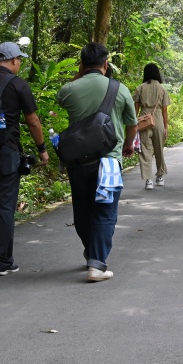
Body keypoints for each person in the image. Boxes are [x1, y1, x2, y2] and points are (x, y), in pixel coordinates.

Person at [55, 43, 137, 282]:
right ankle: (97, 264)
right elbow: (131, 124)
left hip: (78, 161)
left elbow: (61, 99)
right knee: (105, 210)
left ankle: (91, 253)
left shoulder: (69, 89)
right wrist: (128, 144)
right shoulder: (119, 89)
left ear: (81, 64)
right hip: (109, 160)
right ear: (106, 64)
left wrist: (80, 74)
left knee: (82, 210)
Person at [0, 41, 49, 276]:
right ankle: (3, 262)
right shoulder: (18, 84)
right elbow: (33, 121)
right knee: (4, 205)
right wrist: (42, 149)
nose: (20, 63)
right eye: (20, 60)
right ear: (14, 60)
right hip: (6, 151)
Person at [133, 63, 171, 190]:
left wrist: (134, 125)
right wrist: (166, 127)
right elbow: (165, 110)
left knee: (145, 151)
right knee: (159, 148)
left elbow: (135, 109)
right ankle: (160, 176)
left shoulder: (140, 88)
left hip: (144, 119)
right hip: (158, 118)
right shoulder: (162, 89)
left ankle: (148, 180)